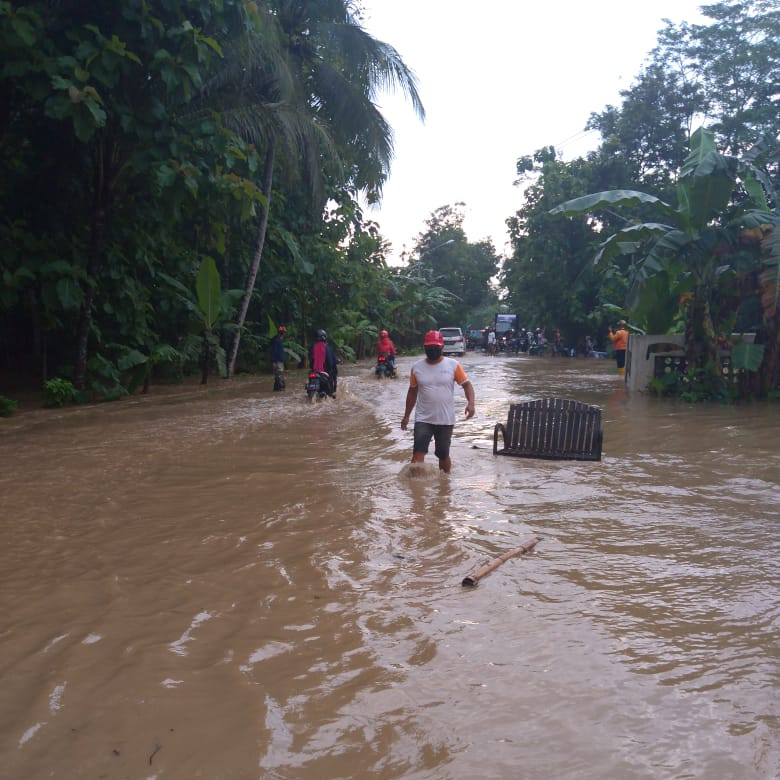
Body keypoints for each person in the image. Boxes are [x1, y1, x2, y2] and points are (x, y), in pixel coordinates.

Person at [400, 330, 475, 474]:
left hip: (445, 419)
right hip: (423, 418)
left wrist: (471, 403)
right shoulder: (416, 367)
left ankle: (445, 485)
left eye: (435, 347)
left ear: (442, 347)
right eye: (429, 347)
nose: (432, 350)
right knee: (417, 455)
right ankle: (417, 492)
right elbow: (412, 391)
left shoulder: (453, 365)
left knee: (443, 455)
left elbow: (467, 385)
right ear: (424, 348)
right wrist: (406, 416)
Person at [309, 328, 338, 396]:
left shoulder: (312, 347)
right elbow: (331, 363)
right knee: (332, 376)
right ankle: (331, 392)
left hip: (314, 372)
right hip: (324, 373)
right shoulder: (328, 348)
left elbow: (311, 361)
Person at [270, 325, 286, 390]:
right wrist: (273, 361)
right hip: (278, 362)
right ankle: (280, 388)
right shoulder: (277, 341)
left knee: (278, 375)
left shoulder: (279, 341)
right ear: (283, 333)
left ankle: (278, 388)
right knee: (279, 375)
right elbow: (274, 351)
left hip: (279, 361)